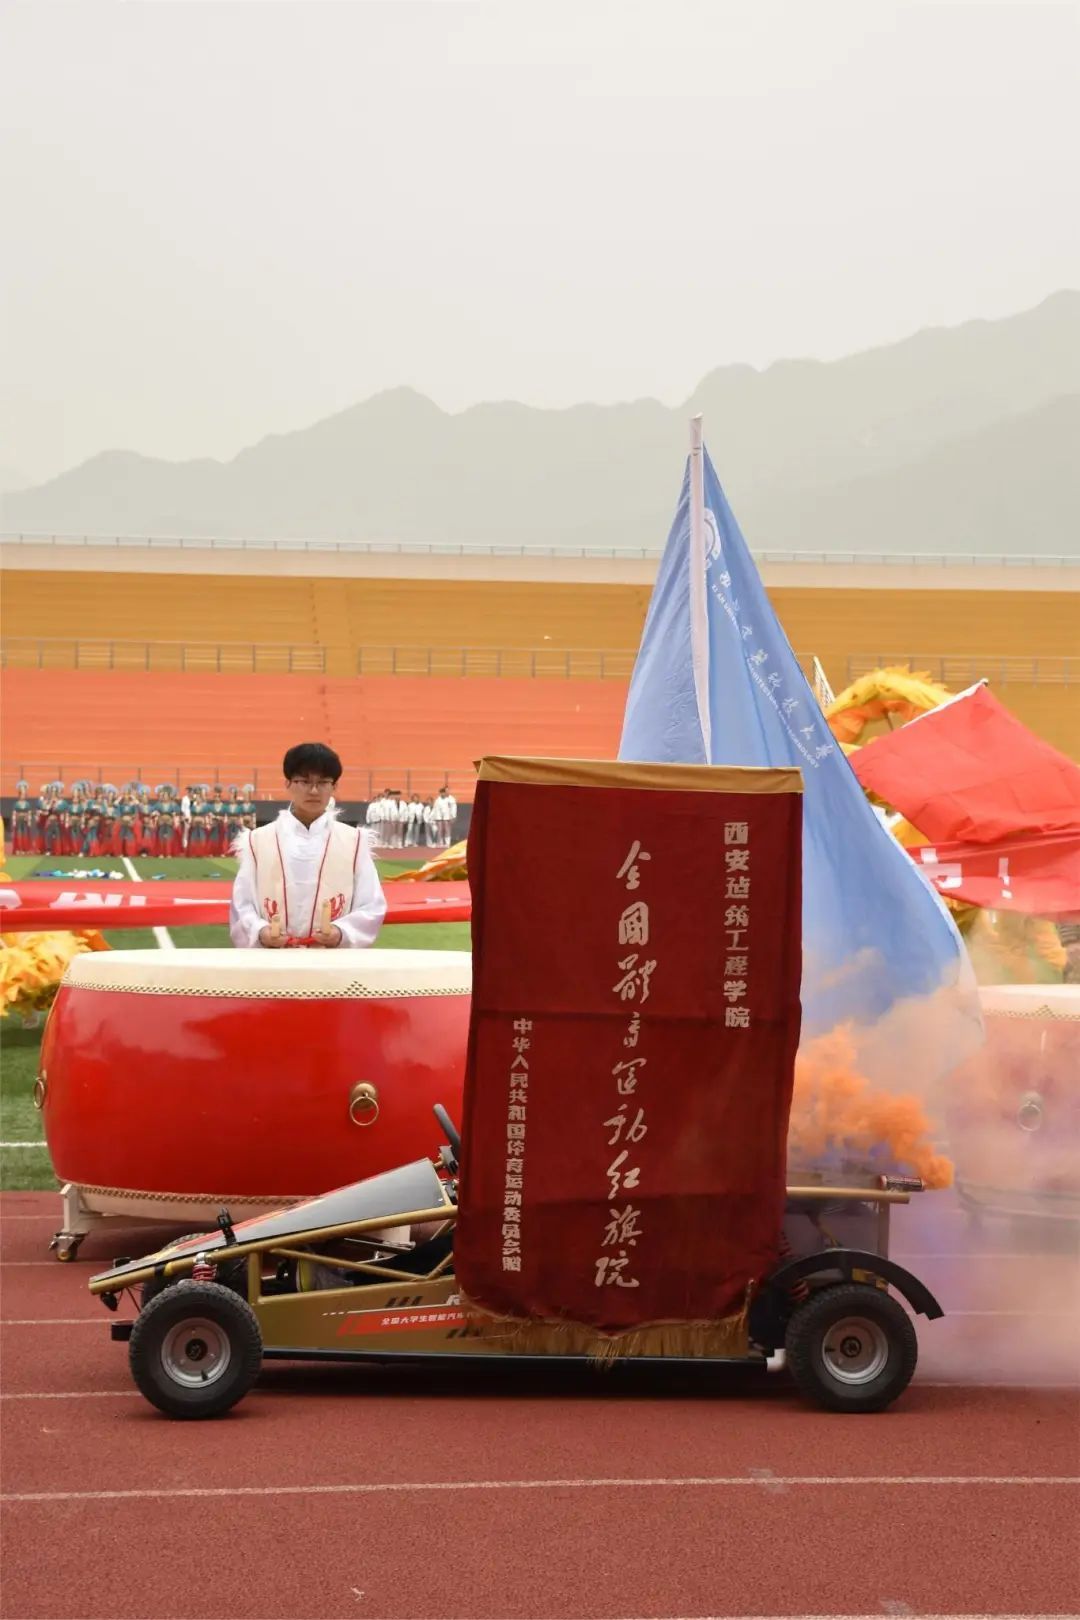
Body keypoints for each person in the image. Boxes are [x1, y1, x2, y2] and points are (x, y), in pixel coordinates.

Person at [229, 742, 386, 949]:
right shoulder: (257, 841)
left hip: (331, 960)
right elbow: (242, 904)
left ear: (334, 787)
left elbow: (371, 904)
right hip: (273, 959)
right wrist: (260, 932)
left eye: (323, 782)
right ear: (288, 783)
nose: (313, 790)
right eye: (304, 781)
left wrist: (341, 932)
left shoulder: (354, 842)